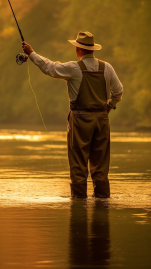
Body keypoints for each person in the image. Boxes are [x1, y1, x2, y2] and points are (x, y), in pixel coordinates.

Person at [22, 31, 123, 198]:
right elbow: (118, 92)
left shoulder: (73, 68)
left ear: (79, 50)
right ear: (92, 49)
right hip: (102, 120)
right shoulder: (107, 68)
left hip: (80, 120)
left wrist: (31, 53)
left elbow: (50, 68)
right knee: (101, 166)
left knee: (78, 164)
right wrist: (108, 108)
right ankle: (103, 205)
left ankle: (79, 205)